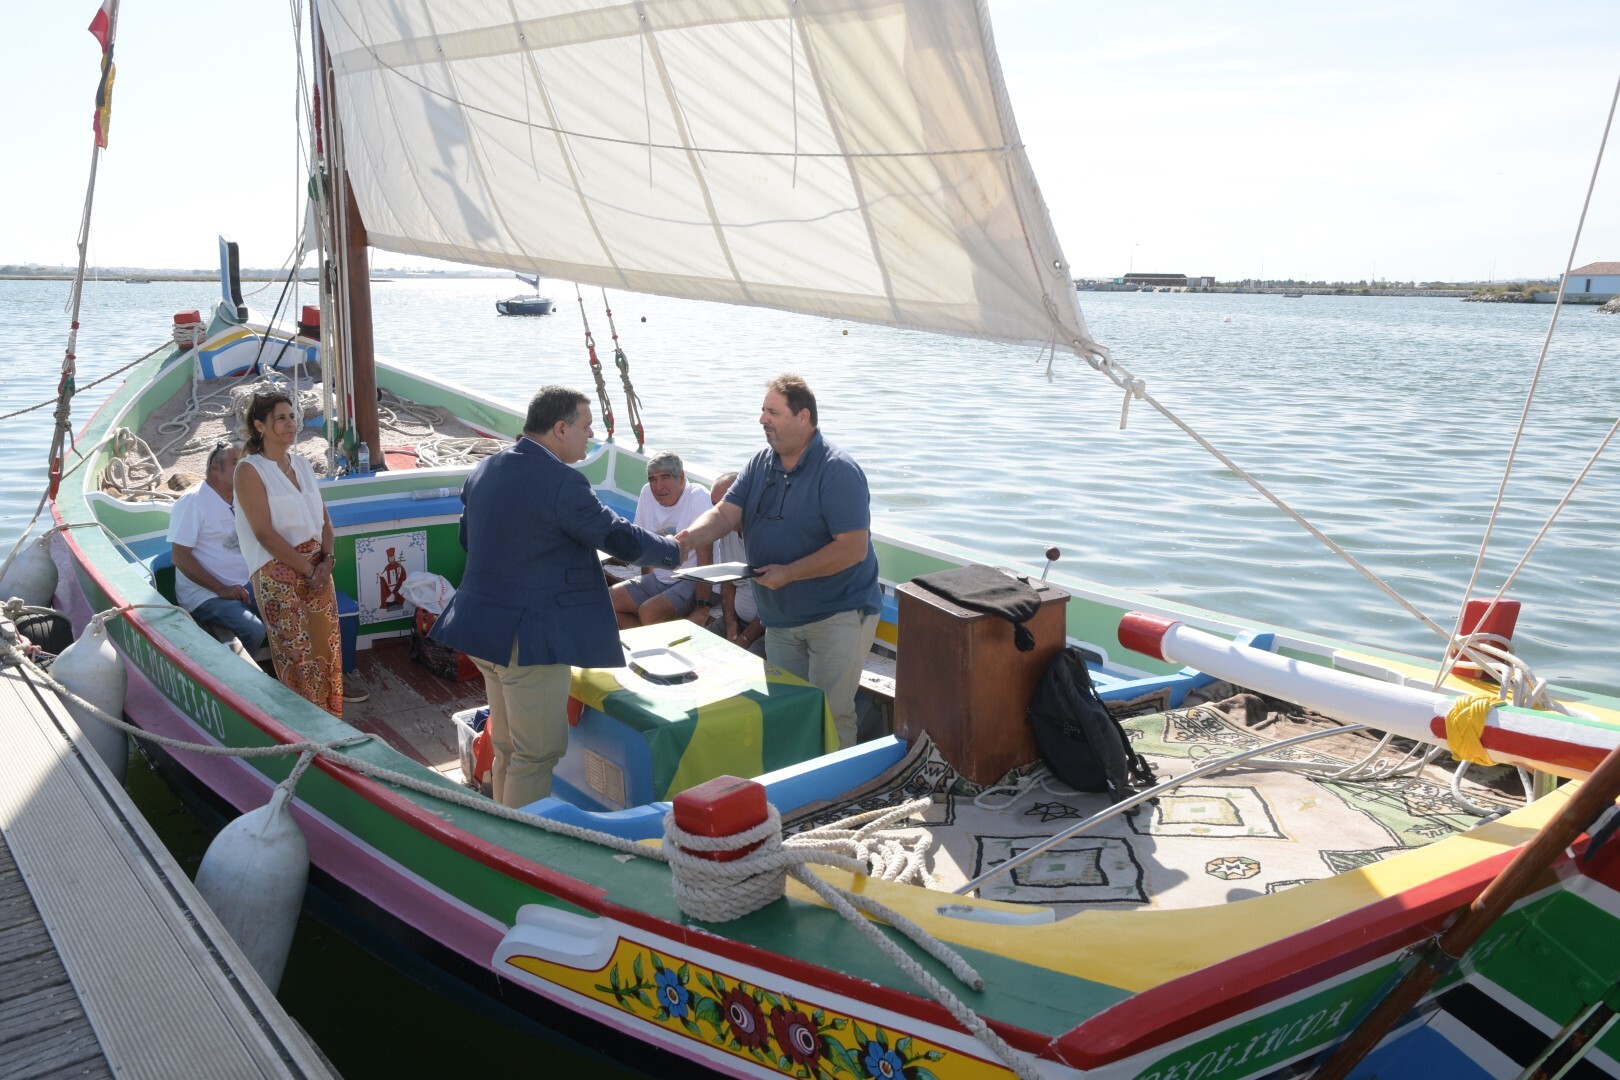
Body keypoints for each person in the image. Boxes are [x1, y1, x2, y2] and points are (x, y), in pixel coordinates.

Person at [430, 386, 684, 809]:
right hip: (525, 643)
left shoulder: (486, 468)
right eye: (586, 428)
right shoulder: (564, 482)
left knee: (510, 745)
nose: (590, 437)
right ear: (560, 428)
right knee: (536, 754)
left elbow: (468, 539)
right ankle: (520, 857)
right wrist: (673, 549)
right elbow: (616, 536)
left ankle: (500, 825)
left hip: (480, 632)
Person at [678, 375, 881, 749]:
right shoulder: (760, 463)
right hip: (781, 619)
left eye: (772, 411)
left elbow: (852, 548)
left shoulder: (838, 470)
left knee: (832, 713)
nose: (762, 419)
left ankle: (842, 799)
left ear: (803, 417)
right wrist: (685, 540)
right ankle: (800, 793)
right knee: (789, 710)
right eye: (762, 411)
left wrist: (790, 573)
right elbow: (725, 515)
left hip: (836, 615)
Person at [233, 392, 363, 715]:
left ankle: (332, 724)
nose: (290, 423)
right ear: (259, 426)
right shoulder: (249, 471)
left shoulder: (303, 465)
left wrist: (327, 563)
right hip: (280, 575)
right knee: (298, 661)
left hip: (318, 572)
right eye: (281, 418)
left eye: (292, 416)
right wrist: (309, 569)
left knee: (328, 655)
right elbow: (264, 533)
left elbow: (326, 524)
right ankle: (308, 735)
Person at [166, 440, 266, 654]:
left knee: (286, 611)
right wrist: (222, 589)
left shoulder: (240, 496)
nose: (243, 468)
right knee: (254, 631)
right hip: (205, 594)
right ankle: (237, 680)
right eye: (236, 462)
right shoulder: (192, 502)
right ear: (215, 469)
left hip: (242, 584)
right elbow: (180, 557)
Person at [610, 451, 713, 628]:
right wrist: (645, 587)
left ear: (681, 477)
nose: (658, 487)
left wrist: (702, 607)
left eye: (665, 477)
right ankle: (645, 643)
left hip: (693, 579)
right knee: (605, 602)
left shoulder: (698, 497)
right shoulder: (647, 493)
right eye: (652, 479)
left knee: (649, 611)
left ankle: (652, 647)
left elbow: (706, 556)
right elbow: (643, 543)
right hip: (660, 578)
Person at [708, 471, 764, 656]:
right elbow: (728, 583)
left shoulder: (766, 536)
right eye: (714, 505)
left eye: (723, 504)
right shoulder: (725, 530)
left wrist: (746, 638)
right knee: (697, 650)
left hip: (767, 629)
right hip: (736, 620)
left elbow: (777, 604)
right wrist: (730, 624)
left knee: (742, 664)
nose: (719, 512)